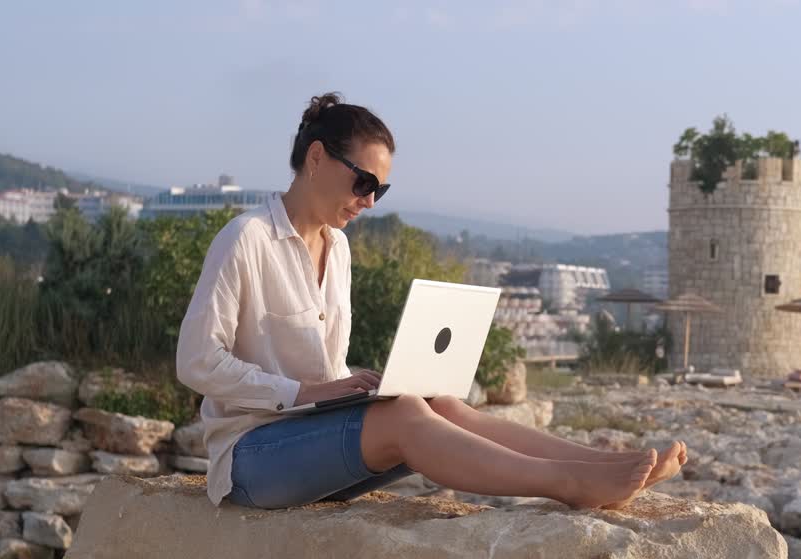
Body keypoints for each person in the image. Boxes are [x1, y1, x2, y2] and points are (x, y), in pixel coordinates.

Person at [176, 92, 688, 512]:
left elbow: (320, 371)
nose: (370, 201)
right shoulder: (247, 239)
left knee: (435, 401)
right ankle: (567, 484)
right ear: (316, 158)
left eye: (382, 188)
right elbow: (196, 362)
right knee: (404, 420)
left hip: (313, 439)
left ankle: (599, 464)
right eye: (364, 182)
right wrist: (304, 391)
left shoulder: (339, 247)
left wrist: (354, 386)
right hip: (251, 456)